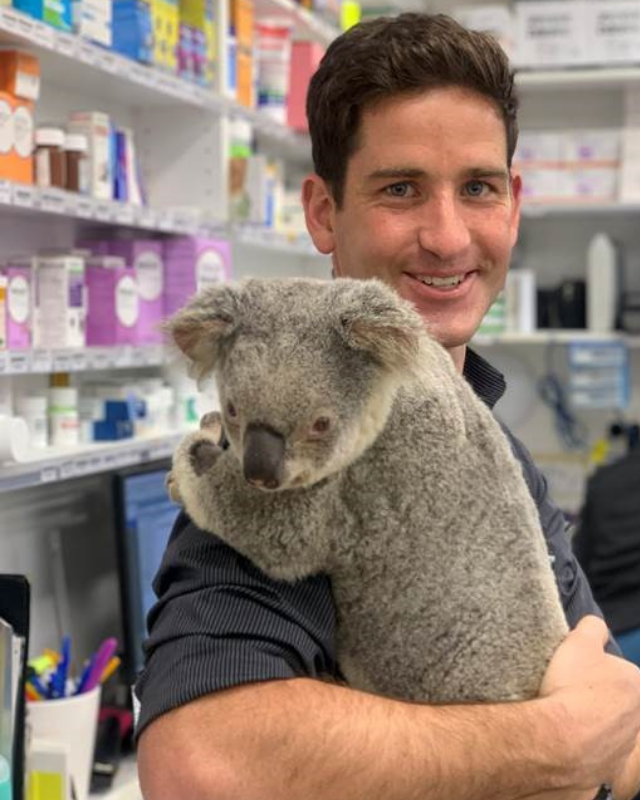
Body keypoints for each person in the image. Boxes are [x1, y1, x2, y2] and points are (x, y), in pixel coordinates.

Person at [136, 13, 640, 800]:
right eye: (400, 189)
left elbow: (614, 719)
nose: (446, 237)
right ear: (323, 212)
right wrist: (557, 742)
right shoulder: (300, 461)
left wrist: (600, 734)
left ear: (513, 208)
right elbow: (199, 763)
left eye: (478, 187)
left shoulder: (488, 434)